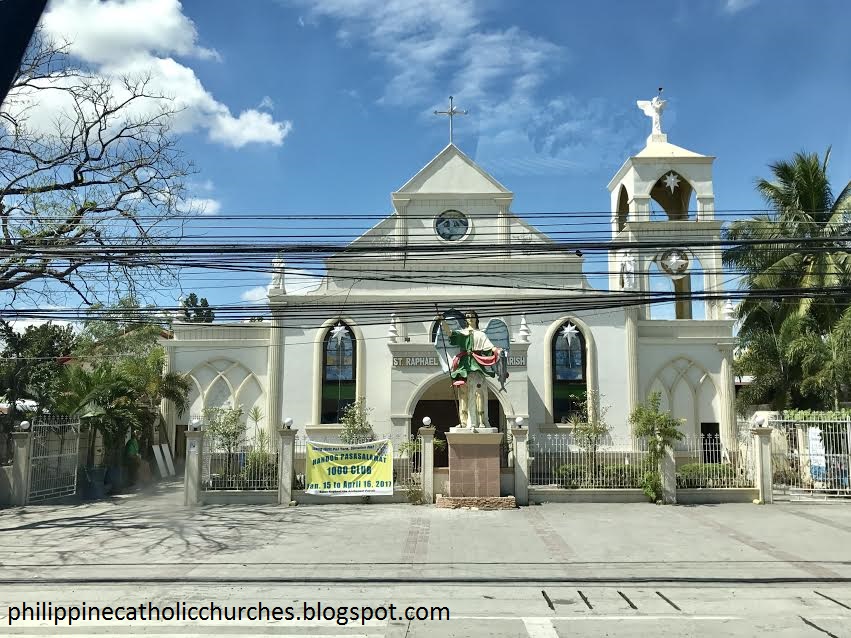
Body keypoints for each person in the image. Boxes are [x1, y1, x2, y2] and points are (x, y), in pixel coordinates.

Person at [439, 310, 502, 428]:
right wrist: (443, 321)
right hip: (464, 366)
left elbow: (489, 347)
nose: (470, 318)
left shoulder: (481, 334)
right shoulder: (462, 333)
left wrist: (497, 350)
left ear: (476, 319)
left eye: (473, 316)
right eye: (468, 316)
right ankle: (464, 422)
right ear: (465, 320)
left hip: (476, 364)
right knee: (463, 394)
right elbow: (449, 333)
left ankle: (481, 421)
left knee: (479, 392)